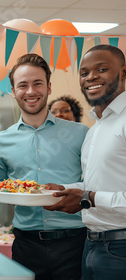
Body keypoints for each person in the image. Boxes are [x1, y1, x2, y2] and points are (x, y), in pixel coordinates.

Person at [0, 53, 89, 280]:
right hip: (26, 244)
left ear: (49, 87)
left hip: (74, 242)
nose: (31, 91)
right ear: (13, 91)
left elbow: (95, 181)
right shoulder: (1, 141)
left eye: (38, 83)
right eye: (23, 85)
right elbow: (2, 188)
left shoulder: (80, 134)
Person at [44, 45, 126, 280]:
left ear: (124, 72)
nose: (91, 77)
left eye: (102, 69)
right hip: (91, 245)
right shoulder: (95, 128)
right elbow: (100, 183)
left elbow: (93, 195)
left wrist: (86, 198)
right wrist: (69, 190)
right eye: (84, 72)